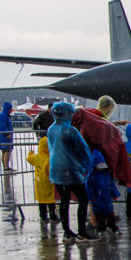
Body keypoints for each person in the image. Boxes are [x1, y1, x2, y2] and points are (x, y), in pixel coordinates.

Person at [47, 102, 93, 241]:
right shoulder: (70, 130)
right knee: (83, 199)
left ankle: (67, 231)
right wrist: (87, 165)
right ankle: (82, 232)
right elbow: (82, 149)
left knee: (64, 201)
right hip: (70, 169)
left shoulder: (51, 129)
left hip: (56, 169)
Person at [86, 150, 121, 234]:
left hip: (106, 198)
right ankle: (102, 228)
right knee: (100, 215)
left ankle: (112, 227)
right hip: (98, 199)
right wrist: (91, 198)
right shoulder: (92, 176)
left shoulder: (104, 174)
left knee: (109, 214)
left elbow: (112, 185)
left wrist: (114, 194)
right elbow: (89, 188)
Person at [25, 136, 58, 221]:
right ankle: (52, 214)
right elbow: (51, 170)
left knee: (41, 200)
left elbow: (29, 159)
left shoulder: (36, 157)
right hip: (49, 182)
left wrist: (30, 154)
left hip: (39, 183)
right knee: (50, 199)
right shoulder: (49, 159)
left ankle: (43, 215)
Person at [0, 101, 14, 171]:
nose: (11, 110)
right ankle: (6, 167)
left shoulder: (6, 115)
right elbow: (1, 126)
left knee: (7, 151)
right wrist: (7, 134)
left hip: (6, 137)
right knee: (5, 151)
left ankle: (6, 166)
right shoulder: (2, 115)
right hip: (3, 137)